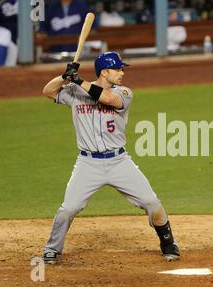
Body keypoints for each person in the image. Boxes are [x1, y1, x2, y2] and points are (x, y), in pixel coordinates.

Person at [41, 52, 180, 264]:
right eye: (118, 69)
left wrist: (78, 79)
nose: (122, 72)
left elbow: (108, 99)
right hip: (88, 164)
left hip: (119, 162)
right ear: (105, 71)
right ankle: (52, 249)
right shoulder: (74, 92)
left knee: (151, 202)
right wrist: (65, 76)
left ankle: (168, 242)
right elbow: (47, 91)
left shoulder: (124, 92)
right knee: (68, 208)